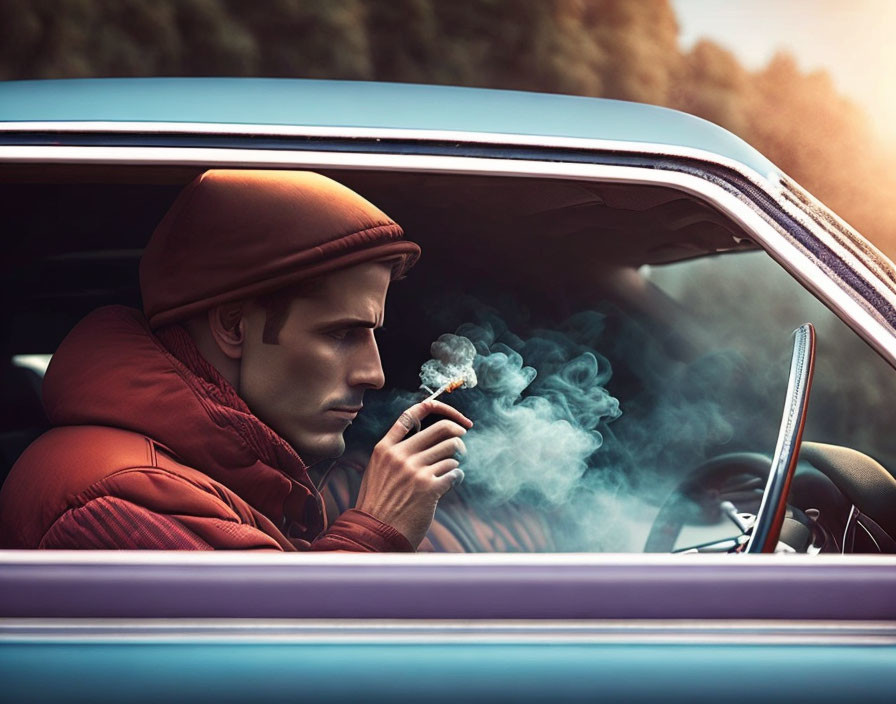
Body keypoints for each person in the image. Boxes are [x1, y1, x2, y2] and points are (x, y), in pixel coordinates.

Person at [0, 169, 471, 551]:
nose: (374, 373)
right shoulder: (119, 499)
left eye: (372, 335)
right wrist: (375, 531)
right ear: (233, 326)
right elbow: (281, 662)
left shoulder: (199, 478)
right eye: (341, 333)